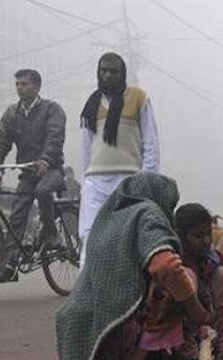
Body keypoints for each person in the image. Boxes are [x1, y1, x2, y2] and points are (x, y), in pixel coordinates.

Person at [54, 172, 209, 360]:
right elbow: (165, 266)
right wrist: (200, 315)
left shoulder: (110, 218)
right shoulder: (148, 212)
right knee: (179, 279)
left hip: (79, 345)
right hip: (111, 337)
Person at [78, 52, 160, 266]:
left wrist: (147, 178)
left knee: (127, 240)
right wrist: (85, 182)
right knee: (91, 239)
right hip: (95, 182)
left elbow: (151, 142)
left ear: (122, 74)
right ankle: (86, 294)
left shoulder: (138, 98)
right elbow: (85, 148)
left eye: (113, 72)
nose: (107, 75)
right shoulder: (91, 105)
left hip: (128, 180)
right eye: (103, 71)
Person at [0, 68, 66, 282]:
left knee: (42, 190)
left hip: (52, 170)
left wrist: (46, 159)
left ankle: (51, 236)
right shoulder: (12, 113)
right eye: (18, 84)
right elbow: (2, 143)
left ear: (37, 87)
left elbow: (55, 137)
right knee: (17, 216)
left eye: (25, 84)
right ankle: (10, 265)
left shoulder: (51, 109)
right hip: (28, 173)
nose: (20, 88)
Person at [173, 203, 223, 360]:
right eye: (198, 235)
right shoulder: (173, 259)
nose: (206, 240)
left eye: (209, 233)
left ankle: (221, 344)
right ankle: (188, 352)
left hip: (211, 320)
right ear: (181, 236)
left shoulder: (213, 258)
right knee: (187, 277)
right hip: (184, 325)